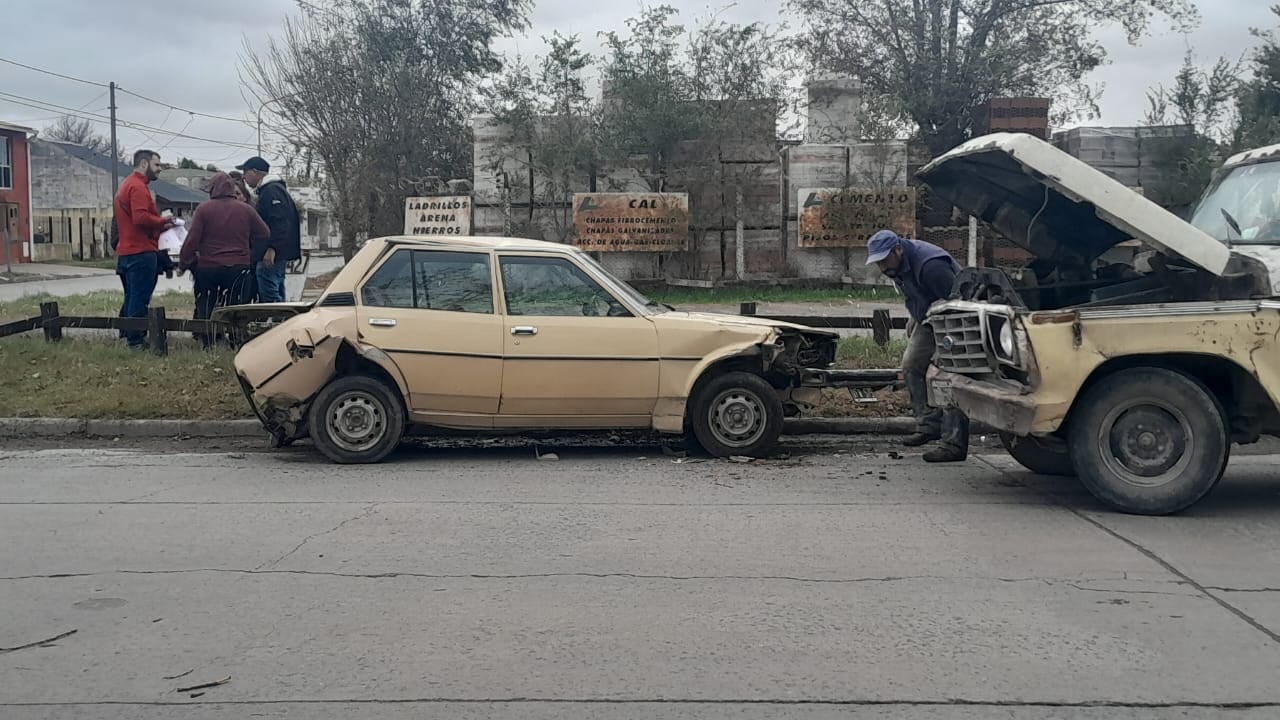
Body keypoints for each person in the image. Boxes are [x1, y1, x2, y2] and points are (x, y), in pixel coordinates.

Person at [866, 229, 970, 463]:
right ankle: (928, 424)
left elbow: (957, 303)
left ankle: (953, 443)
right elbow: (917, 295)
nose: (882, 268)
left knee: (947, 377)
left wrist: (948, 345)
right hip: (930, 319)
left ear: (899, 249)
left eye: (885, 260)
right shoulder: (898, 266)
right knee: (911, 365)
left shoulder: (931, 266)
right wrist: (916, 318)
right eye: (878, 262)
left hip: (955, 322)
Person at [179, 172, 270, 348]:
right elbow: (264, 233)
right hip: (239, 266)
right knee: (236, 304)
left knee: (207, 302)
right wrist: (252, 255)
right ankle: (236, 339)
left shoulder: (204, 209)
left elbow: (192, 240)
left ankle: (208, 340)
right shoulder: (246, 209)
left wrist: (185, 262)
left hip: (208, 266)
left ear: (212, 189)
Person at [113, 149, 173, 349]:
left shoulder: (126, 185)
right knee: (139, 297)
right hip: (141, 250)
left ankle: (126, 334)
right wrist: (162, 221)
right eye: (157, 165)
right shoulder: (138, 187)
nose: (159, 170)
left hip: (126, 250)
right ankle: (135, 340)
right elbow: (140, 218)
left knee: (131, 296)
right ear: (144, 164)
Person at [235, 156, 300, 303]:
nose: (244, 177)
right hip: (276, 253)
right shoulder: (273, 190)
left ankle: (278, 320)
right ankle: (283, 320)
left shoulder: (272, 191)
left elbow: (280, 222)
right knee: (276, 288)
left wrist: (272, 248)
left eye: (245, 172)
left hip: (271, 255)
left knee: (269, 290)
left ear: (255, 172)